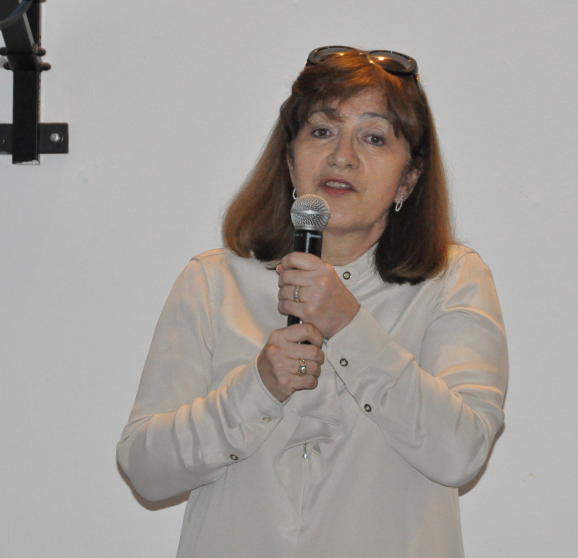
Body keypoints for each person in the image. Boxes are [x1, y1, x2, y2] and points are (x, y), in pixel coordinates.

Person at [117, 47, 508, 558]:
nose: (342, 156)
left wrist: (349, 325)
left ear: (409, 178)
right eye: (322, 131)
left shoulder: (452, 279)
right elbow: (146, 471)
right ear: (289, 159)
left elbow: (461, 452)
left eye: (374, 137)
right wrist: (257, 388)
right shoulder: (214, 281)